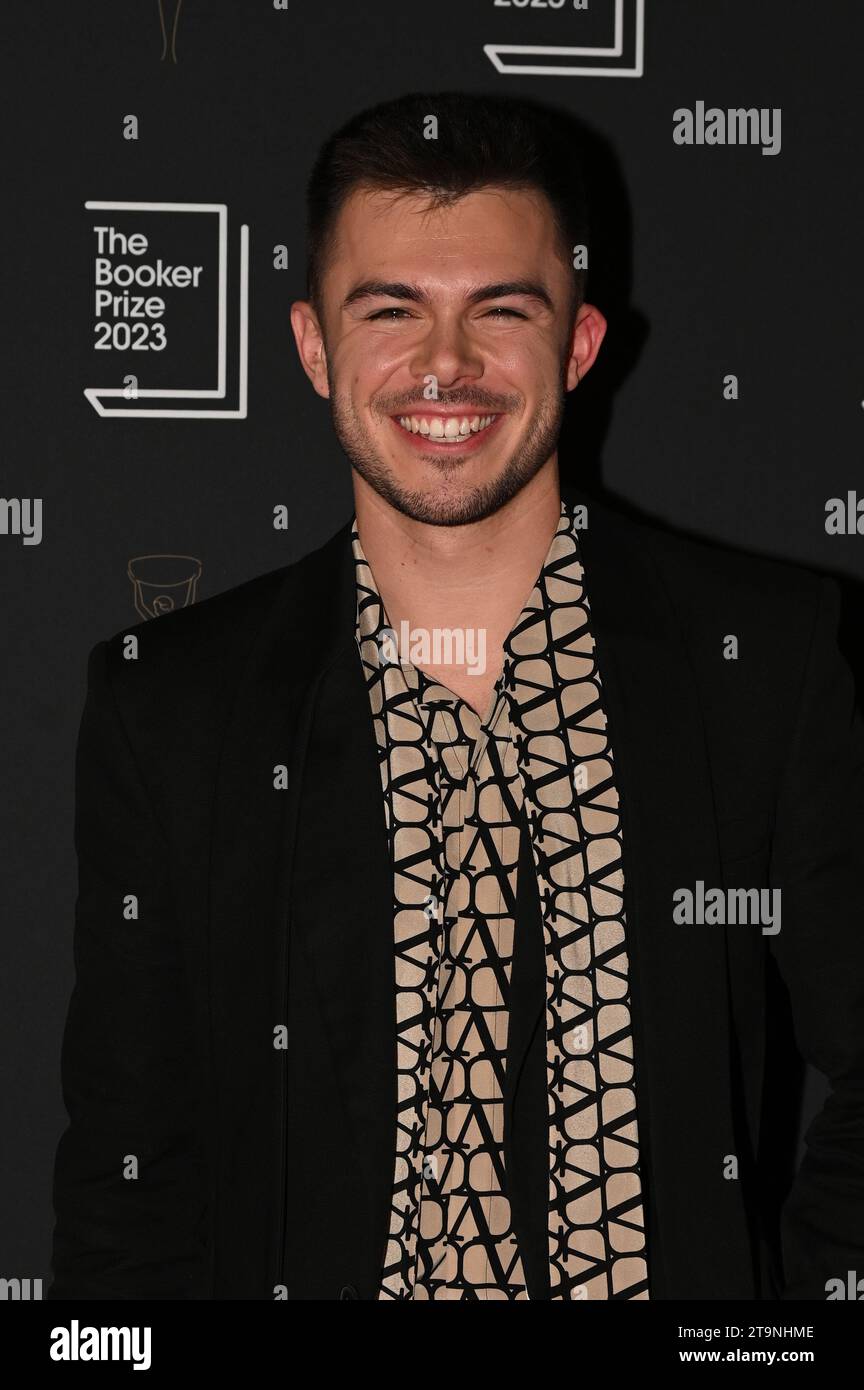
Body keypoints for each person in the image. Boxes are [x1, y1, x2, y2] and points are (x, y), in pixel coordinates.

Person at [48, 91, 864, 1301]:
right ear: (313, 344)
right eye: (392, 310)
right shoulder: (169, 710)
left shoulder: (766, 659)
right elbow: (127, 1185)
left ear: (580, 346)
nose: (446, 366)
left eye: (501, 310)